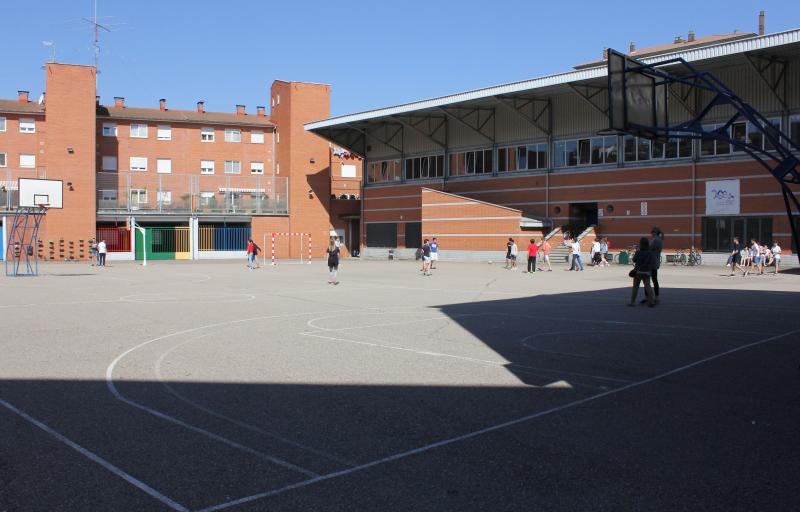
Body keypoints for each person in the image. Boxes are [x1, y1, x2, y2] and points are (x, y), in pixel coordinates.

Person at [629, 237, 656, 307]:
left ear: (640, 244)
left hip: (638, 272)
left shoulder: (638, 252)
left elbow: (634, 260)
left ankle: (632, 302)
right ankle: (651, 302)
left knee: (635, 287)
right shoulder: (650, 253)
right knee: (648, 287)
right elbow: (652, 262)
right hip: (647, 272)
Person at [646, 228, 663, 303]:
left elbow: (649, 248)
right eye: (651, 232)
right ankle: (654, 297)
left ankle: (652, 297)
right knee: (652, 280)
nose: (651, 233)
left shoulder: (657, 240)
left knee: (649, 280)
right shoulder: (656, 240)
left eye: (653, 232)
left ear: (656, 233)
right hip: (653, 262)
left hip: (652, 262)